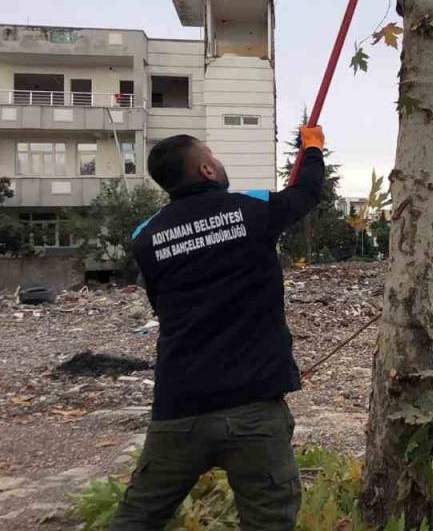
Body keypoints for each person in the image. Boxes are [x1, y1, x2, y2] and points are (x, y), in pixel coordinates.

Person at [109, 127, 326, 530]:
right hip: (253, 408)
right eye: (213, 156)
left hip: (179, 408)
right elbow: (306, 193)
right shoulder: (252, 209)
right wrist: (312, 148)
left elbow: (160, 303)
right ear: (207, 170)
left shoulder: (145, 236)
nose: (219, 162)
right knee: (269, 522)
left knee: (137, 519)